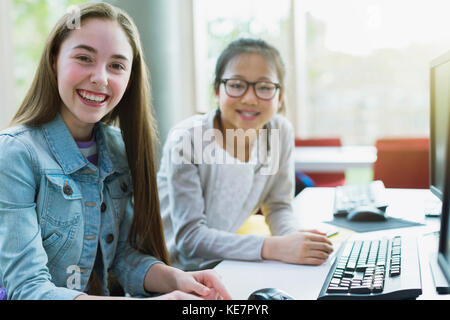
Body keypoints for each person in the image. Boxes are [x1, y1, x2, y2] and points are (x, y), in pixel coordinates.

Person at [0, 2, 230, 300]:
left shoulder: (117, 148)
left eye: (117, 66)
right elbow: (28, 289)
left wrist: (178, 280)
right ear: (55, 59)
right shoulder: (15, 154)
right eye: (84, 58)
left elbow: (122, 256)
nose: (100, 78)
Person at [157, 38, 333, 271]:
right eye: (237, 85)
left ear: (279, 97)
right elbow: (189, 239)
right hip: (171, 274)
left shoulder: (279, 133)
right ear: (217, 91)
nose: (250, 98)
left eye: (264, 87)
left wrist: (295, 243)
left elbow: (278, 205)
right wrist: (275, 247)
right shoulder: (187, 138)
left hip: (226, 265)